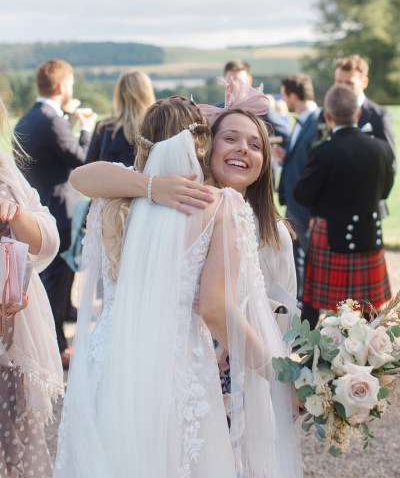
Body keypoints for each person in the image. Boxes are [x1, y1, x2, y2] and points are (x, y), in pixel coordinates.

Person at [55, 96, 302, 477]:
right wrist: (281, 374)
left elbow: (82, 178)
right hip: (177, 363)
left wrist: (149, 186)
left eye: (255, 144)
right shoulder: (216, 204)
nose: (242, 150)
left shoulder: (114, 202)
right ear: (204, 143)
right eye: (229, 138)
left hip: (109, 359)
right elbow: (216, 308)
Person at [14, 59, 97, 369]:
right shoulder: (52, 120)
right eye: (71, 86)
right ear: (62, 87)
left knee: (54, 282)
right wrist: (86, 129)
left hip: (40, 209)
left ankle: (54, 342)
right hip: (60, 213)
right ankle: (57, 347)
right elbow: (81, 158)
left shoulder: (28, 119)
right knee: (57, 284)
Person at [294, 85, 395, 329]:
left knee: (312, 303)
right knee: (370, 307)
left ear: (328, 117)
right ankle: (375, 353)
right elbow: (384, 191)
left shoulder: (323, 152)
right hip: (370, 234)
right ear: (358, 114)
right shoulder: (381, 148)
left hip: (329, 237)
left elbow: (303, 195)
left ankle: (303, 348)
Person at [0, 96, 64, 477]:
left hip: (10, 338)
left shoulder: (4, 169)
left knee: (14, 441)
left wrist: (16, 214)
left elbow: (47, 239)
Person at [273, 73, 320, 299]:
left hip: (307, 207)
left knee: (313, 260)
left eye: (284, 96)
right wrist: (286, 157)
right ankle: (299, 306)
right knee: (296, 259)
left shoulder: (318, 121)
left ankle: (312, 309)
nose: (285, 101)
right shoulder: (300, 120)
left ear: (293, 96)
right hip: (293, 203)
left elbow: (317, 165)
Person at [318, 54, 396, 170]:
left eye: (349, 83)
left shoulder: (379, 116)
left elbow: (389, 163)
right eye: (338, 82)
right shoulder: (325, 113)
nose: (342, 88)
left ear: (364, 82)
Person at [85, 70, 155, 166]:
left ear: (119, 94)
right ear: (147, 93)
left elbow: (88, 167)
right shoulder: (155, 127)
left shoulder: (103, 127)